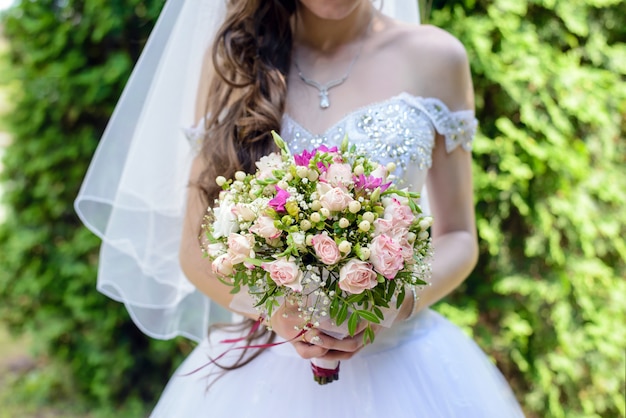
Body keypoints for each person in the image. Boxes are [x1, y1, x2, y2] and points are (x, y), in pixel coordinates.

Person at [76, 0, 525, 416]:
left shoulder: (437, 58)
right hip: (263, 373)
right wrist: (277, 312)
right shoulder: (235, 65)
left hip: (404, 366)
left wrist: (394, 302)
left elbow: (460, 237)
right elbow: (195, 252)